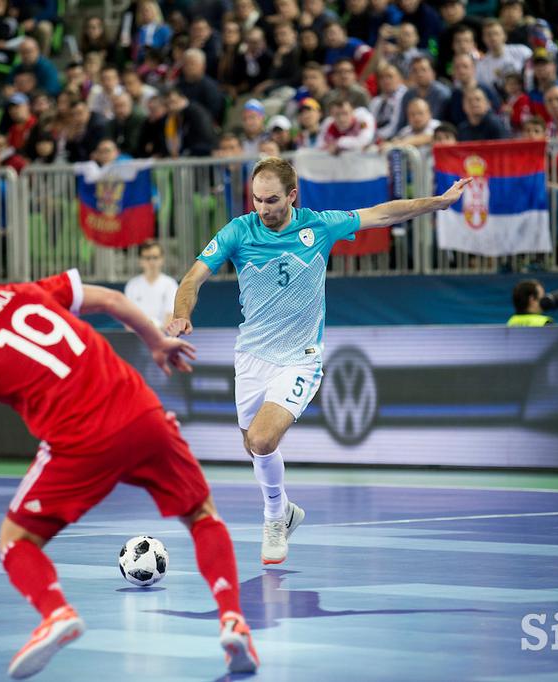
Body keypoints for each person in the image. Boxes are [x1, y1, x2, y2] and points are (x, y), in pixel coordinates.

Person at [0, 240, 259, 679]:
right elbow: (113, 300)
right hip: (140, 411)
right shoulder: (17, 292)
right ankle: (233, 619)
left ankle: (55, 612)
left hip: (80, 443)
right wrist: (156, 341)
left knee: (15, 540)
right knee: (200, 514)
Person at [166, 157, 470, 564]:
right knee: (253, 447)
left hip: (300, 359)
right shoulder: (238, 230)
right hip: (251, 357)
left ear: (292, 195)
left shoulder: (320, 226)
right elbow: (192, 278)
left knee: (261, 440)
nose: (263, 209)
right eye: (256, 200)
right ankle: (285, 508)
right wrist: (182, 313)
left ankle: (274, 520)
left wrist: (436, 203)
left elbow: (381, 214)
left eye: (271, 200)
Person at [124, 239, 178, 328]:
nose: (151, 262)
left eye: (155, 257)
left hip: (163, 338)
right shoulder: (132, 286)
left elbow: (171, 317)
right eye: (147, 258)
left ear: (162, 259)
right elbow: (128, 320)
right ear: (140, 261)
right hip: (137, 337)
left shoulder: (170, 284)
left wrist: (156, 333)